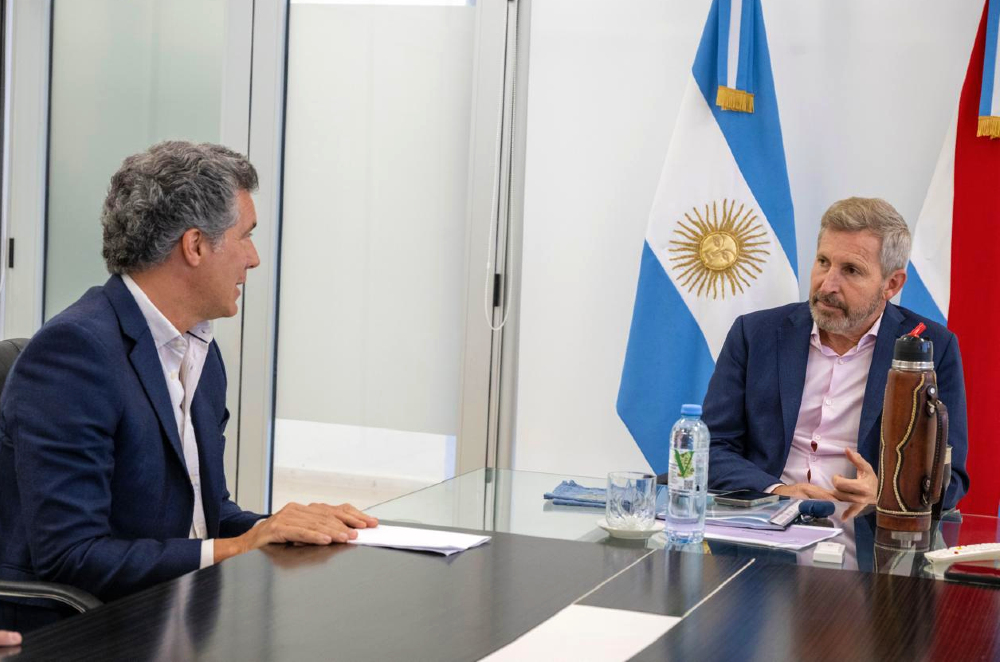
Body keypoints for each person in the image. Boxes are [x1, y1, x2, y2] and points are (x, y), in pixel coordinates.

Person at [0, 141, 377, 632]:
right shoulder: (74, 353)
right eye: (245, 236)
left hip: (177, 614)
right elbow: (74, 556)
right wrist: (242, 546)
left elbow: (206, 513)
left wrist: (285, 526)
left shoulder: (196, 345)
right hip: (84, 630)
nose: (255, 258)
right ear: (195, 246)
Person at [704, 197, 968, 511]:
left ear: (892, 284)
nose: (828, 284)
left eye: (851, 270)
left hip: (865, 534)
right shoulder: (755, 334)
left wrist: (886, 493)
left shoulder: (932, 348)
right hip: (763, 523)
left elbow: (950, 479)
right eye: (823, 262)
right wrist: (777, 491)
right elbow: (710, 447)